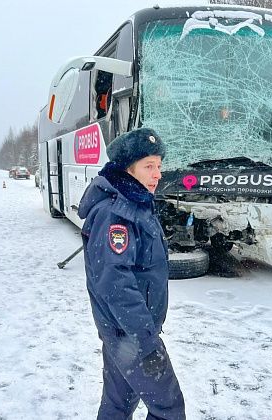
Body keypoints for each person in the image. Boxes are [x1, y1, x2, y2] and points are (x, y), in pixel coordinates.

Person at [78, 128, 186, 419]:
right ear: (128, 169)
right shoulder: (116, 215)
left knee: (118, 405)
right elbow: (115, 283)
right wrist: (147, 340)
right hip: (133, 336)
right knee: (169, 409)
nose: (158, 174)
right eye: (149, 166)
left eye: (159, 166)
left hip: (124, 334)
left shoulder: (135, 205)